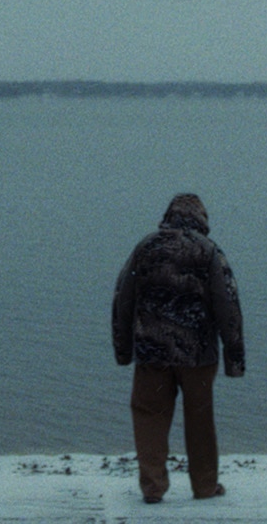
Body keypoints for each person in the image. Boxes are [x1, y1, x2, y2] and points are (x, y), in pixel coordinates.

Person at [111, 192, 245, 504]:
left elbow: (123, 298)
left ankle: (153, 487)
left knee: (149, 415)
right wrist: (234, 358)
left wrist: (123, 350)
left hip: (152, 352)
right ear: (202, 219)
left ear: (168, 215)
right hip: (198, 355)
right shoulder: (209, 251)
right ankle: (205, 486)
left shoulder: (146, 247)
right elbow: (228, 306)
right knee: (200, 419)